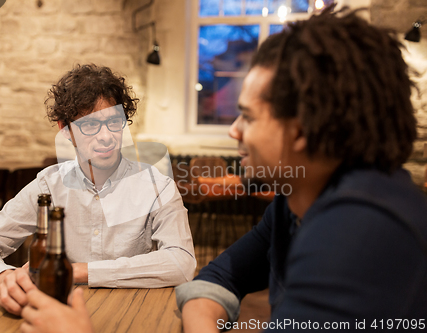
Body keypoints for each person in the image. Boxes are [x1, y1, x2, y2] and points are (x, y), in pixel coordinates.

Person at [175, 6, 427, 333]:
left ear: (302, 130)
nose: (234, 131)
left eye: (248, 117)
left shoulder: (363, 225)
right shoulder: (292, 204)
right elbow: (220, 276)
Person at [0, 64, 196, 316]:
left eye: (114, 122)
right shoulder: (49, 185)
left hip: (134, 313)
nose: (106, 136)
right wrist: (2, 278)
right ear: (65, 129)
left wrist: (77, 270)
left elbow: (181, 262)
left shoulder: (157, 185)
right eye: (90, 125)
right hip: (62, 315)